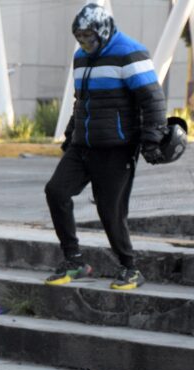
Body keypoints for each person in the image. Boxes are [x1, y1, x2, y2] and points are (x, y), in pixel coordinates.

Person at [44, 4, 167, 290]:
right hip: (83, 145)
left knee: (110, 210)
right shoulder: (80, 58)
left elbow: (153, 100)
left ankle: (130, 268)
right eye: (79, 38)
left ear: (104, 31)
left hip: (117, 146)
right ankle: (74, 261)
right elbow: (82, 101)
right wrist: (71, 133)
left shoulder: (130, 53)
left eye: (89, 37)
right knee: (56, 191)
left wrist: (152, 140)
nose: (84, 43)